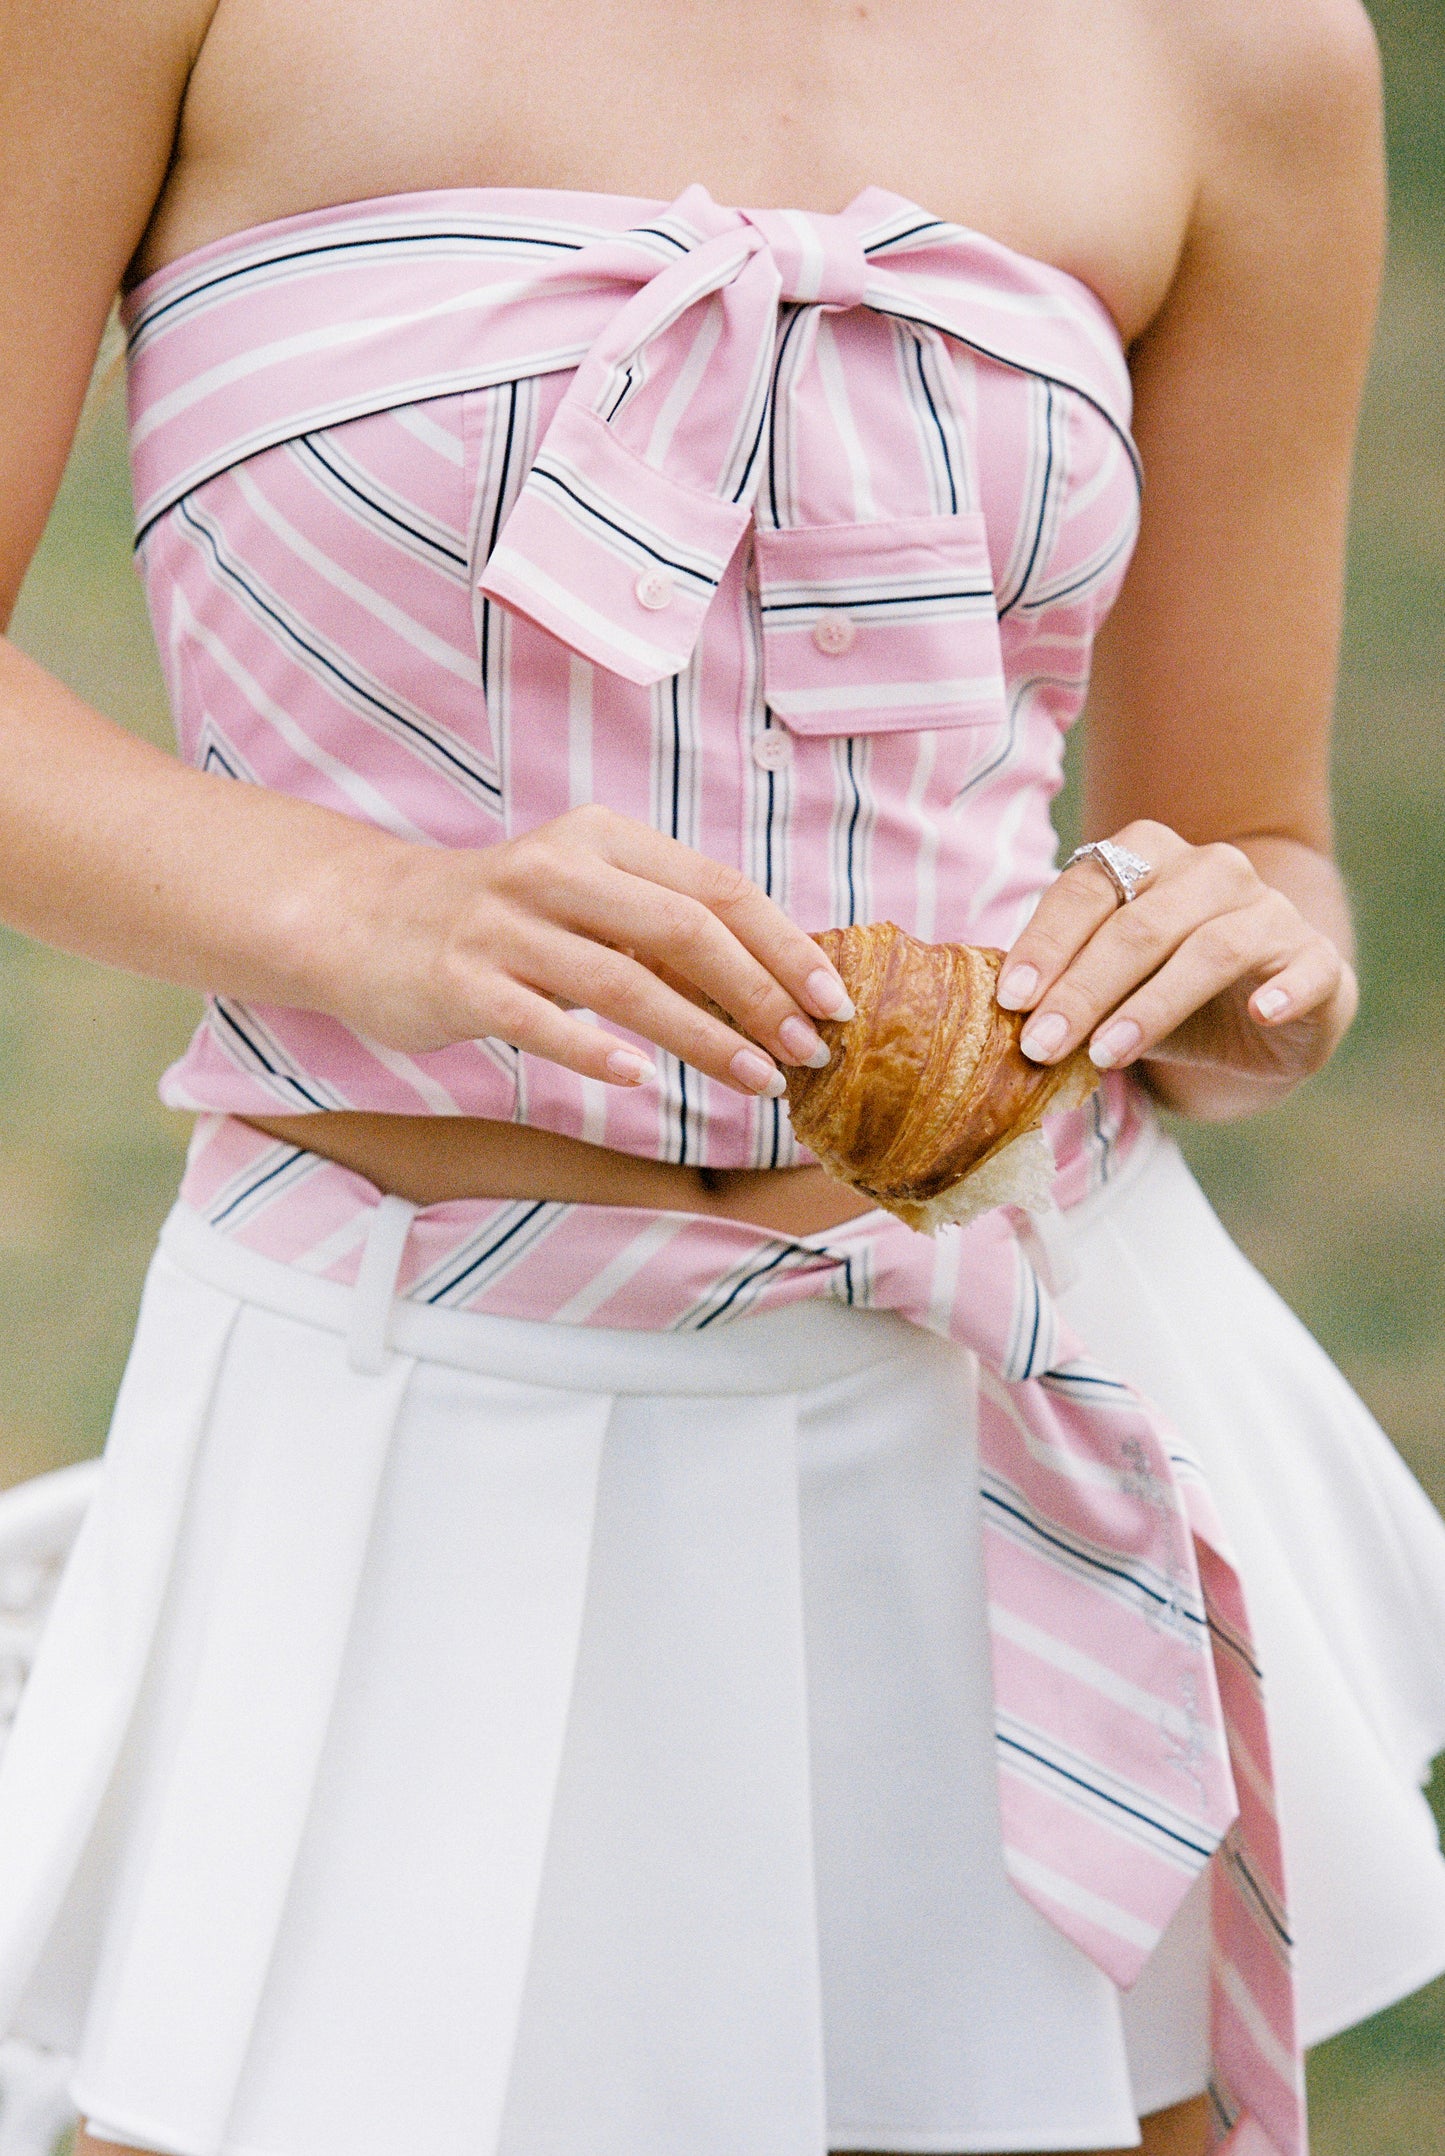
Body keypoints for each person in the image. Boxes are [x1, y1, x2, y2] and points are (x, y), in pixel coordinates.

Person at [2, 2, 1444, 2152]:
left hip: (1001, 1421)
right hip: (405, 1434)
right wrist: (361, 907)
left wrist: (1250, 974)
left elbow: (1253, 837)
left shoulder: (1244, 53)